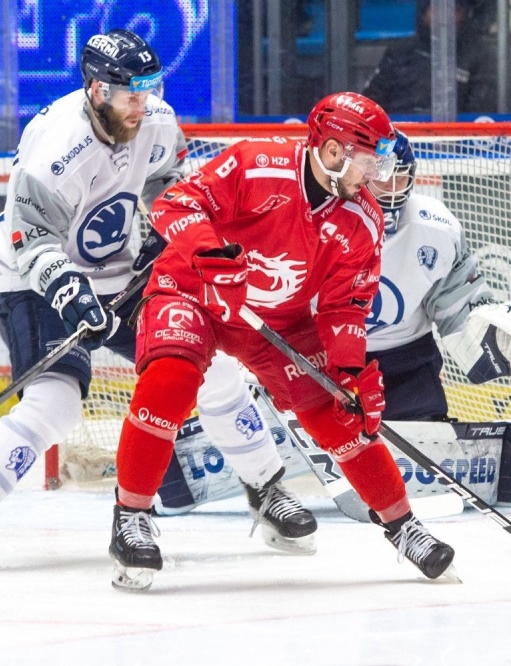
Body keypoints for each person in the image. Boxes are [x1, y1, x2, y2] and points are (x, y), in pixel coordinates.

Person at [0, 29, 315, 575]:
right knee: (56, 405)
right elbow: (30, 235)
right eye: (130, 94)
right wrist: (69, 292)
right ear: (96, 89)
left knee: (209, 367)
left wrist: (168, 234)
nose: (142, 104)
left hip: (119, 271)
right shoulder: (57, 147)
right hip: (33, 278)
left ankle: (266, 491)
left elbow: (169, 186)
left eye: (148, 90)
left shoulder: (156, 120)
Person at [108, 92, 457, 591]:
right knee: (172, 378)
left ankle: (404, 527)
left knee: (337, 413)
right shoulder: (257, 164)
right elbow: (174, 203)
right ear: (334, 151)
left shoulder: (362, 220)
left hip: (279, 320)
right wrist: (209, 254)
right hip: (194, 289)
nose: (376, 173)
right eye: (368, 160)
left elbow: (344, 306)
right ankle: (131, 516)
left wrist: (350, 372)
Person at [365, 129, 511, 422]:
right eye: (381, 176)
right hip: (325, 362)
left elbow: (457, 302)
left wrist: (489, 330)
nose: (392, 187)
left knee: (424, 452)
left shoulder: (435, 227)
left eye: (399, 176)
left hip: (408, 360)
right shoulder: (316, 221)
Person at [362, 0, 495, 115]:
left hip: (457, 139)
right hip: (399, 136)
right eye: (435, 9)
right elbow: (370, 104)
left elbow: (482, 110)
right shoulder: (399, 52)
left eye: (453, 10)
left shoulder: (477, 56)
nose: (444, 17)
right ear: (423, 13)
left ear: (464, 14)